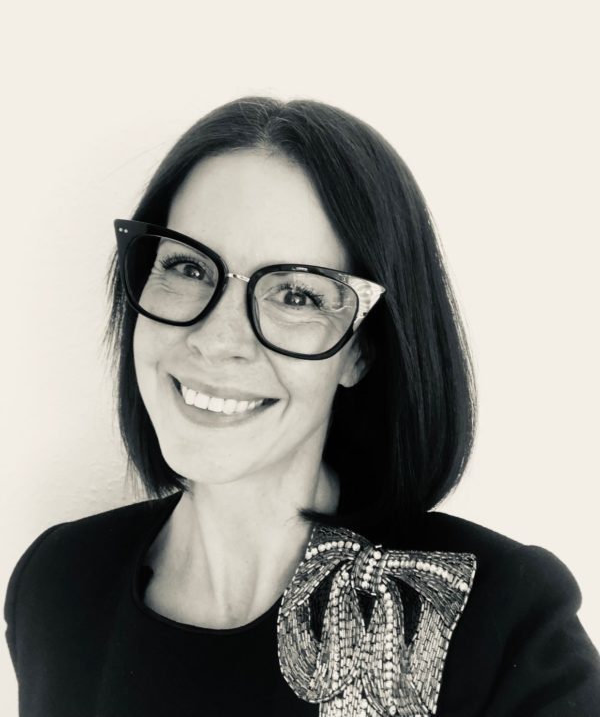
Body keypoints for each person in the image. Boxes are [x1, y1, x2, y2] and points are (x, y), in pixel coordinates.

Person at [4, 97, 600, 717]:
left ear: (361, 352)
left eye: (296, 295)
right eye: (187, 266)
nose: (217, 340)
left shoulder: (502, 621)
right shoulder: (57, 585)